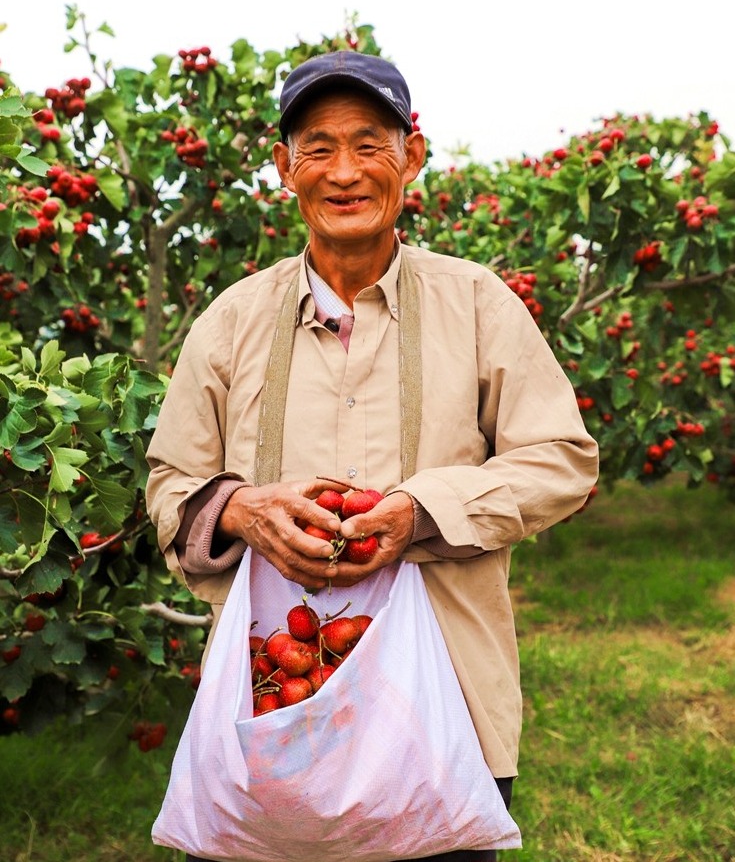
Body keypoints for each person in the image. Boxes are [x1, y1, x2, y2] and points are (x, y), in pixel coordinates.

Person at [145, 50, 599, 862]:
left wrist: (422, 511)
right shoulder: (232, 321)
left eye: (369, 143)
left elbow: (561, 457)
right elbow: (170, 482)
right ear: (284, 167)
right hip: (270, 709)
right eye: (317, 148)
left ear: (411, 157)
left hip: (442, 709)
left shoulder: (476, 304)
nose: (344, 171)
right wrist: (240, 507)